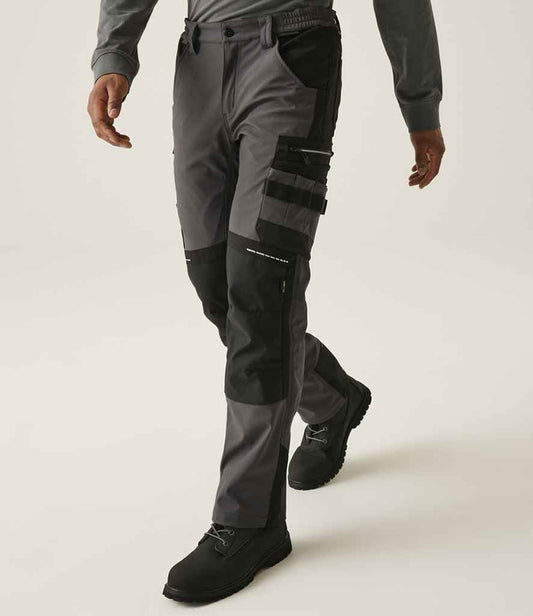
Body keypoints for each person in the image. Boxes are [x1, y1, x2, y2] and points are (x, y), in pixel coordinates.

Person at [88, 0, 445, 603]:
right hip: (199, 56)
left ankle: (250, 521)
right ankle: (332, 399)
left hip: (292, 58)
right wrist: (114, 54)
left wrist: (420, 104)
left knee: (260, 294)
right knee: (219, 289)